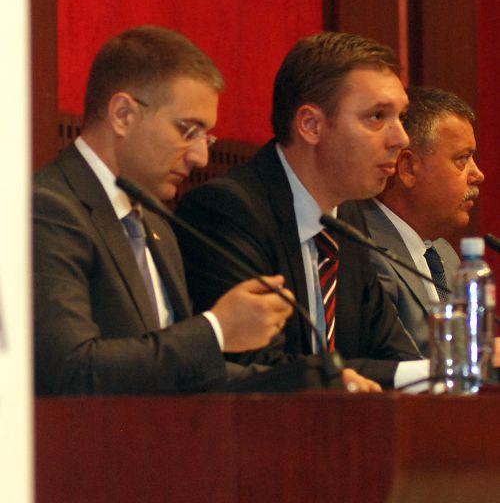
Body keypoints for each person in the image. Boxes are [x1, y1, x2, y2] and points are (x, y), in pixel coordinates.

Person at [33, 25, 298, 395]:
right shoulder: (48, 208)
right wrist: (216, 330)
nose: (200, 157)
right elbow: (73, 370)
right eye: (188, 130)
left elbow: (181, 373)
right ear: (122, 114)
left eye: (206, 137)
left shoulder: (156, 224)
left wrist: (313, 384)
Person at [175, 31, 427, 388]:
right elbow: (261, 367)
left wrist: (455, 371)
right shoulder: (227, 212)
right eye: (376, 116)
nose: (401, 138)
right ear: (310, 125)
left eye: (401, 116)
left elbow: (390, 351)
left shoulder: (347, 216)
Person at [359, 86, 485, 356]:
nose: (478, 174)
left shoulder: (445, 255)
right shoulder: (363, 251)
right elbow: (395, 363)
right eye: (462, 159)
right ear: (408, 168)